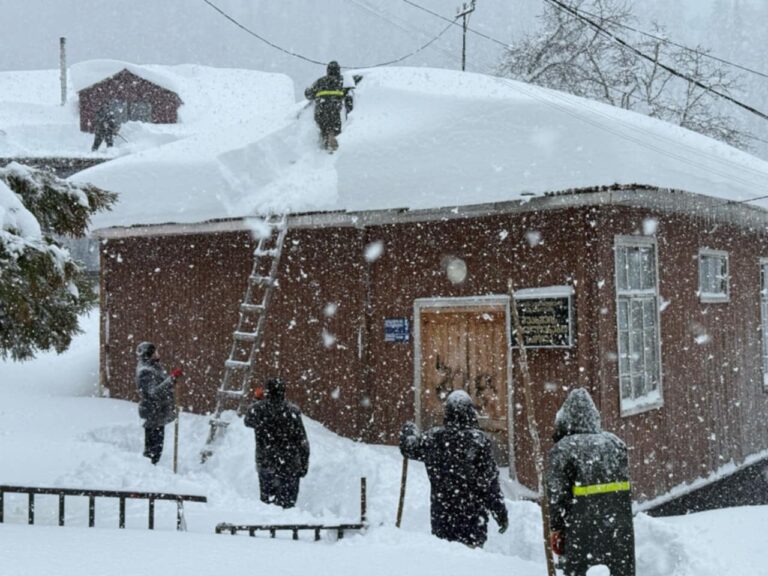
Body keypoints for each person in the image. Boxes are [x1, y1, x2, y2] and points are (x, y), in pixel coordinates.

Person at [399, 390, 508, 547]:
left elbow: (408, 447)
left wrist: (409, 431)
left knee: (445, 564)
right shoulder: (479, 441)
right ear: (471, 412)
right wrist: (500, 512)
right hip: (473, 523)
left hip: (442, 521)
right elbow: (490, 483)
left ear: (447, 412)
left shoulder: (433, 438)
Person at [547, 388, 636, 576]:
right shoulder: (615, 444)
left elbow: (557, 495)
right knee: (621, 569)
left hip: (580, 527)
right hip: (619, 526)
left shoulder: (563, 449)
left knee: (576, 570)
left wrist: (556, 527)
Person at [244, 377, 310, 508]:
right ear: (283, 392)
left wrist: (257, 400)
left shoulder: (258, 409)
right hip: (290, 464)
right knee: (288, 507)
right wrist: (304, 464)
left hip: (266, 462)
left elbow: (247, 421)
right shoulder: (293, 411)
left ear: (267, 392)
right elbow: (302, 441)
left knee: (268, 508)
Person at [135, 341, 182, 465]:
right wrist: (171, 379)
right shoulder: (145, 371)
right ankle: (148, 471)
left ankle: (150, 470)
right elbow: (154, 393)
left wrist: (171, 380)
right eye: (155, 351)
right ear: (148, 354)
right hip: (153, 413)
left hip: (157, 413)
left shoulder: (153, 367)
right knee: (153, 451)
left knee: (156, 448)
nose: (158, 353)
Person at [304, 61, 354, 152]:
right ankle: (332, 148)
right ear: (339, 70)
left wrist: (308, 90)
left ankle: (324, 147)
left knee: (323, 130)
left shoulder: (320, 81)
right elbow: (350, 90)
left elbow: (308, 94)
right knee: (334, 131)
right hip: (335, 111)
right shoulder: (342, 82)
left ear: (328, 70)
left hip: (321, 111)